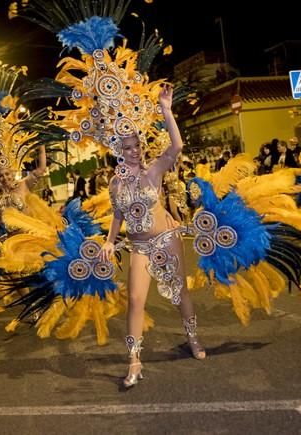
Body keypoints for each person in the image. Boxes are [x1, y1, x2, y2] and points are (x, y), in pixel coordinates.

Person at [99, 84, 205, 389]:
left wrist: (166, 110)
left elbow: (177, 146)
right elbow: (118, 216)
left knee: (179, 292)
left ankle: (193, 338)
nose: (135, 151)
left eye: (137, 145)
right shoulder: (115, 184)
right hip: (140, 247)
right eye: (129, 147)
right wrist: (109, 240)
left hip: (167, 238)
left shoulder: (154, 171)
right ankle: (134, 360)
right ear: (119, 150)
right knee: (134, 300)